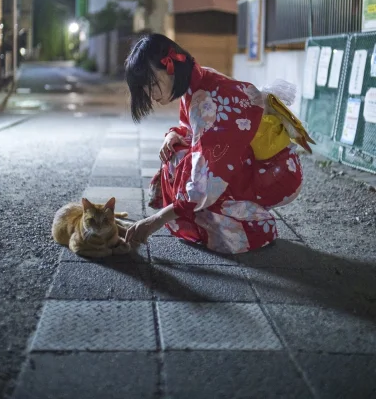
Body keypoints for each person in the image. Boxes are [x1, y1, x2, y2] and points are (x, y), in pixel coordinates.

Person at [124, 33, 314, 254]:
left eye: (150, 84)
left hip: (275, 173)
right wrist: (173, 135)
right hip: (260, 161)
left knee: (205, 191)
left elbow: (205, 183)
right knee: (177, 156)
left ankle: (257, 225)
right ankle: (232, 213)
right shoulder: (199, 82)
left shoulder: (207, 100)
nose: (150, 95)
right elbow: (193, 129)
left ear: (169, 68)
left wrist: (155, 221)